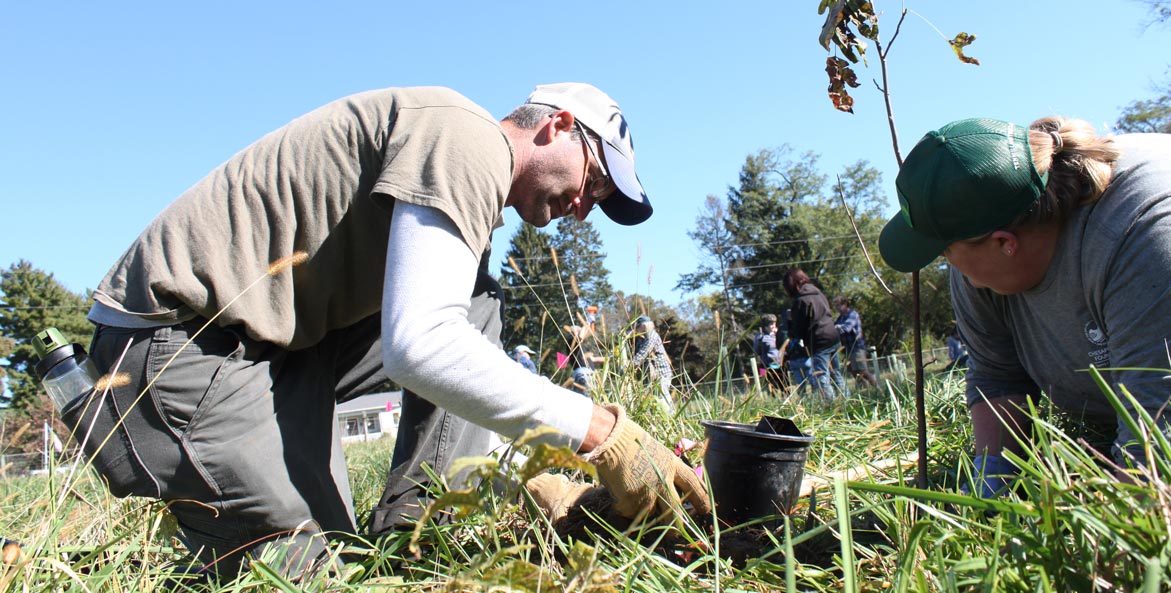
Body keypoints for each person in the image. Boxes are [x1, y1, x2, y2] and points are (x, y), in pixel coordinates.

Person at [73, 82, 710, 577]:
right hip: (172, 348)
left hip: (279, 350)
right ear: (558, 126)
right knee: (304, 575)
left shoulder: (469, 192)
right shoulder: (467, 137)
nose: (583, 208)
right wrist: (604, 435)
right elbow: (422, 348)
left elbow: (459, 353)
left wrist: (531, 476)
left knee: (475, 302)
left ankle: (419, 527)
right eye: (591, 182)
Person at [877, 116, 1171, 497]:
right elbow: (998, 376)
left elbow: (1155, 442)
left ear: (1004, 243)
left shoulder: (1140, 238)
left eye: (945, 251)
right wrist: (991, 486)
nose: (947, 264)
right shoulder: (980, 264)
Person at [783, 269, 848, 401]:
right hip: (833, 336)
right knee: (836, 374)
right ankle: (847, 401)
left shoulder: (800, 301)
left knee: (822, 377)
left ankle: (831, 406)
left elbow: (799, 329)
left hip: (819, 341)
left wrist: (790, 328)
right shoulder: (818, 293)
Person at [630, 316, 674, 412]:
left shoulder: (652, 336)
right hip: (651, 377)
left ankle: (670, 418)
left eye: (638, 328)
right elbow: (635, 354)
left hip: (661, 373)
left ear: (643, 327)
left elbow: (642, 354)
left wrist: (629, 367)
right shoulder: (642, 339)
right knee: (653, 401)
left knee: (662, 398)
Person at [833, 296, 879, 388]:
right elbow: (834, 329)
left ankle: (878, 388)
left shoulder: (852, 314)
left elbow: (847, 328)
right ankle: (865, 391)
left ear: (845, 304)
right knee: (854, 372)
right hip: (847, 349)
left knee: (863, 371)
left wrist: (837, 327)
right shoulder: (840, 318)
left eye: (838, 305)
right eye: (836, 306)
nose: (837, 308)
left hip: (857, 347)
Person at [752, 313, 786, 392]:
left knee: (784, 385)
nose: (773, 326)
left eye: (774, 323)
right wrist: (760, 341)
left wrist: (778, 335)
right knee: (769, 385)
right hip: (765, 365)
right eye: (771, 324)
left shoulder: (778, 333)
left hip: (780, 364)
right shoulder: (760, 336)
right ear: (765, 326)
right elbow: (756, 351)